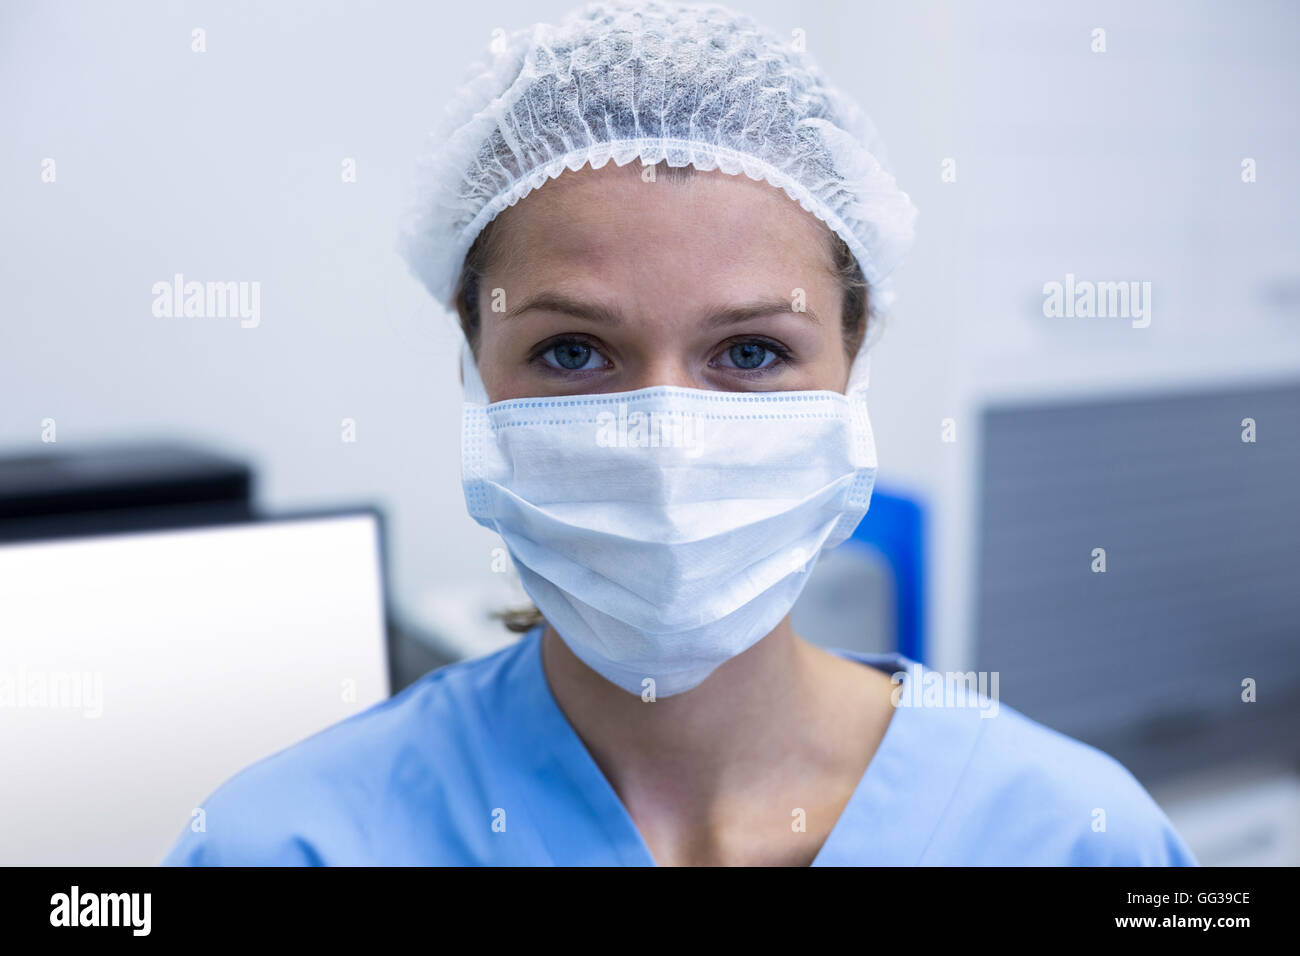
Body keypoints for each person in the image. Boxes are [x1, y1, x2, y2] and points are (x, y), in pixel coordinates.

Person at [162, 0, 1197, 866]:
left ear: (853, 360)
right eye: (573, 351)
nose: (667, 442)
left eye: (749, 352)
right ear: (475, 363)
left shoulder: (1076, 835)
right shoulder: (288, 843)